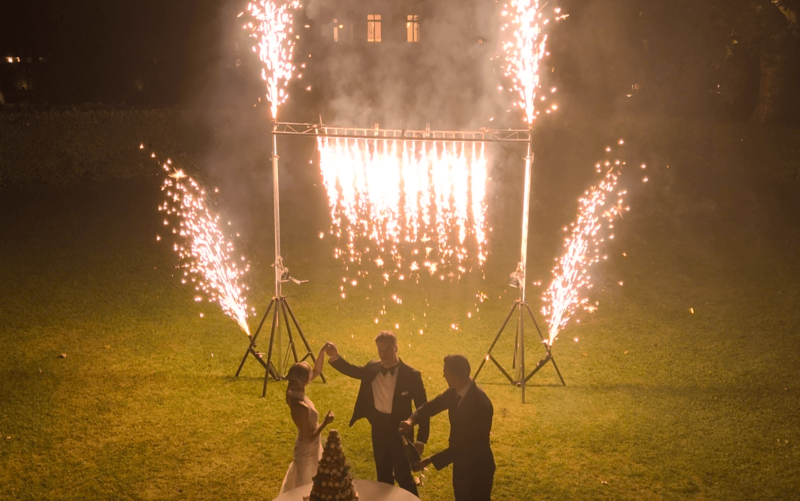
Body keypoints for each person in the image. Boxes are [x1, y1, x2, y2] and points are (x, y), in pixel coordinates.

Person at [324, 332, 429, 496]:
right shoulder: (372, 368)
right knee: (383, 472)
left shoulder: (411, 375)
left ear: (396, 348)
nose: (383, 354)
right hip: (379, 428)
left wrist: (421, 439)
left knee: (403, 475)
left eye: (387, 349)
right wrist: (335, 356)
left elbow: (423, 407)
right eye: (380, 349)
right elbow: (353, 370)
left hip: (401, 430)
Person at [400, 354, 495, 501]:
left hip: (479, 468)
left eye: (446, 373)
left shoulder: (481, 405)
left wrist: (430, 460)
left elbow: (466, 446)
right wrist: (411, 420)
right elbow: (431, 406)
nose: (443, 376)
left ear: (456, 377)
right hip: (461, 465)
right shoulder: (454, 392)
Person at [280, 348, 334, 494]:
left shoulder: (291, 394)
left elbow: (317, 370)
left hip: (312, 448)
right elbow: (308, 439)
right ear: (303, 381)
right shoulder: (301, 408)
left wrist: (322, 351)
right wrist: (324, 423)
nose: (312, 376)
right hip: (307, 452)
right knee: (306, 487)